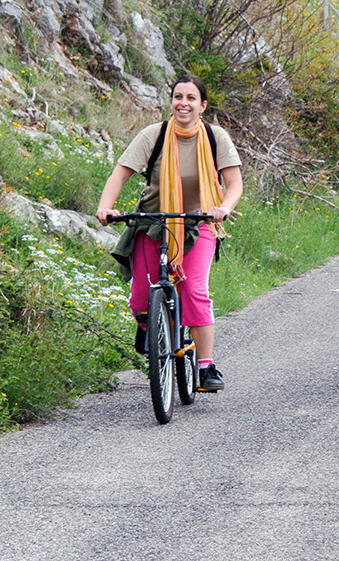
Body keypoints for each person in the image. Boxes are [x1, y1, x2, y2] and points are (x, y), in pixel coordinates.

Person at [96, 73, 243, 392]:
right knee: (140, 297)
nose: (183, 103)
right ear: (171, 101)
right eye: (178, 97)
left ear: (203, 105)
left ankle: (206, 366)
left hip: (199, 222)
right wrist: (106, 207)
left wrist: (224, 207)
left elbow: (234, 184)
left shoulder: (215, 137)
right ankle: (149, 326)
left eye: (191, 98)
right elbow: (119, 175)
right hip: (152, 221)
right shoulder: (155, 135)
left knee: (194, 290)